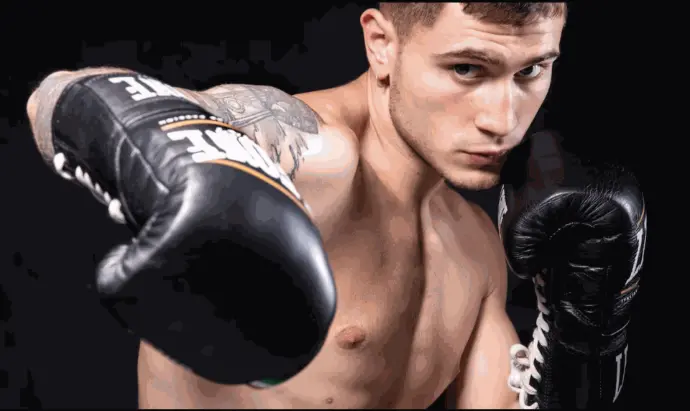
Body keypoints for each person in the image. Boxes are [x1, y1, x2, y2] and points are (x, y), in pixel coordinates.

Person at [25, 3, 645, 409]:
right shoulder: (314, 161)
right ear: (381, 44)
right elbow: (68, 97)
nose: (502, 118)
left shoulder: (474, 245)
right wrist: (189, 163)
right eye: (466, 69)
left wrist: (584, 345)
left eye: (531, 71)